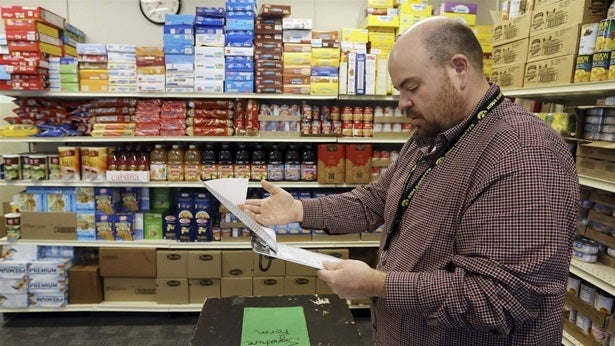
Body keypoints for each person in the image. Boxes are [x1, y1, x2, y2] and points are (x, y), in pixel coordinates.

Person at [240, 17, 579, 345]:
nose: (402, 103)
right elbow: (375, 200)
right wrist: (298, 209)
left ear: (459, 69)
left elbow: (500, 299)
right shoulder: (431, 136)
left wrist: (377, 284)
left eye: (411, 87)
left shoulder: (524, 155)